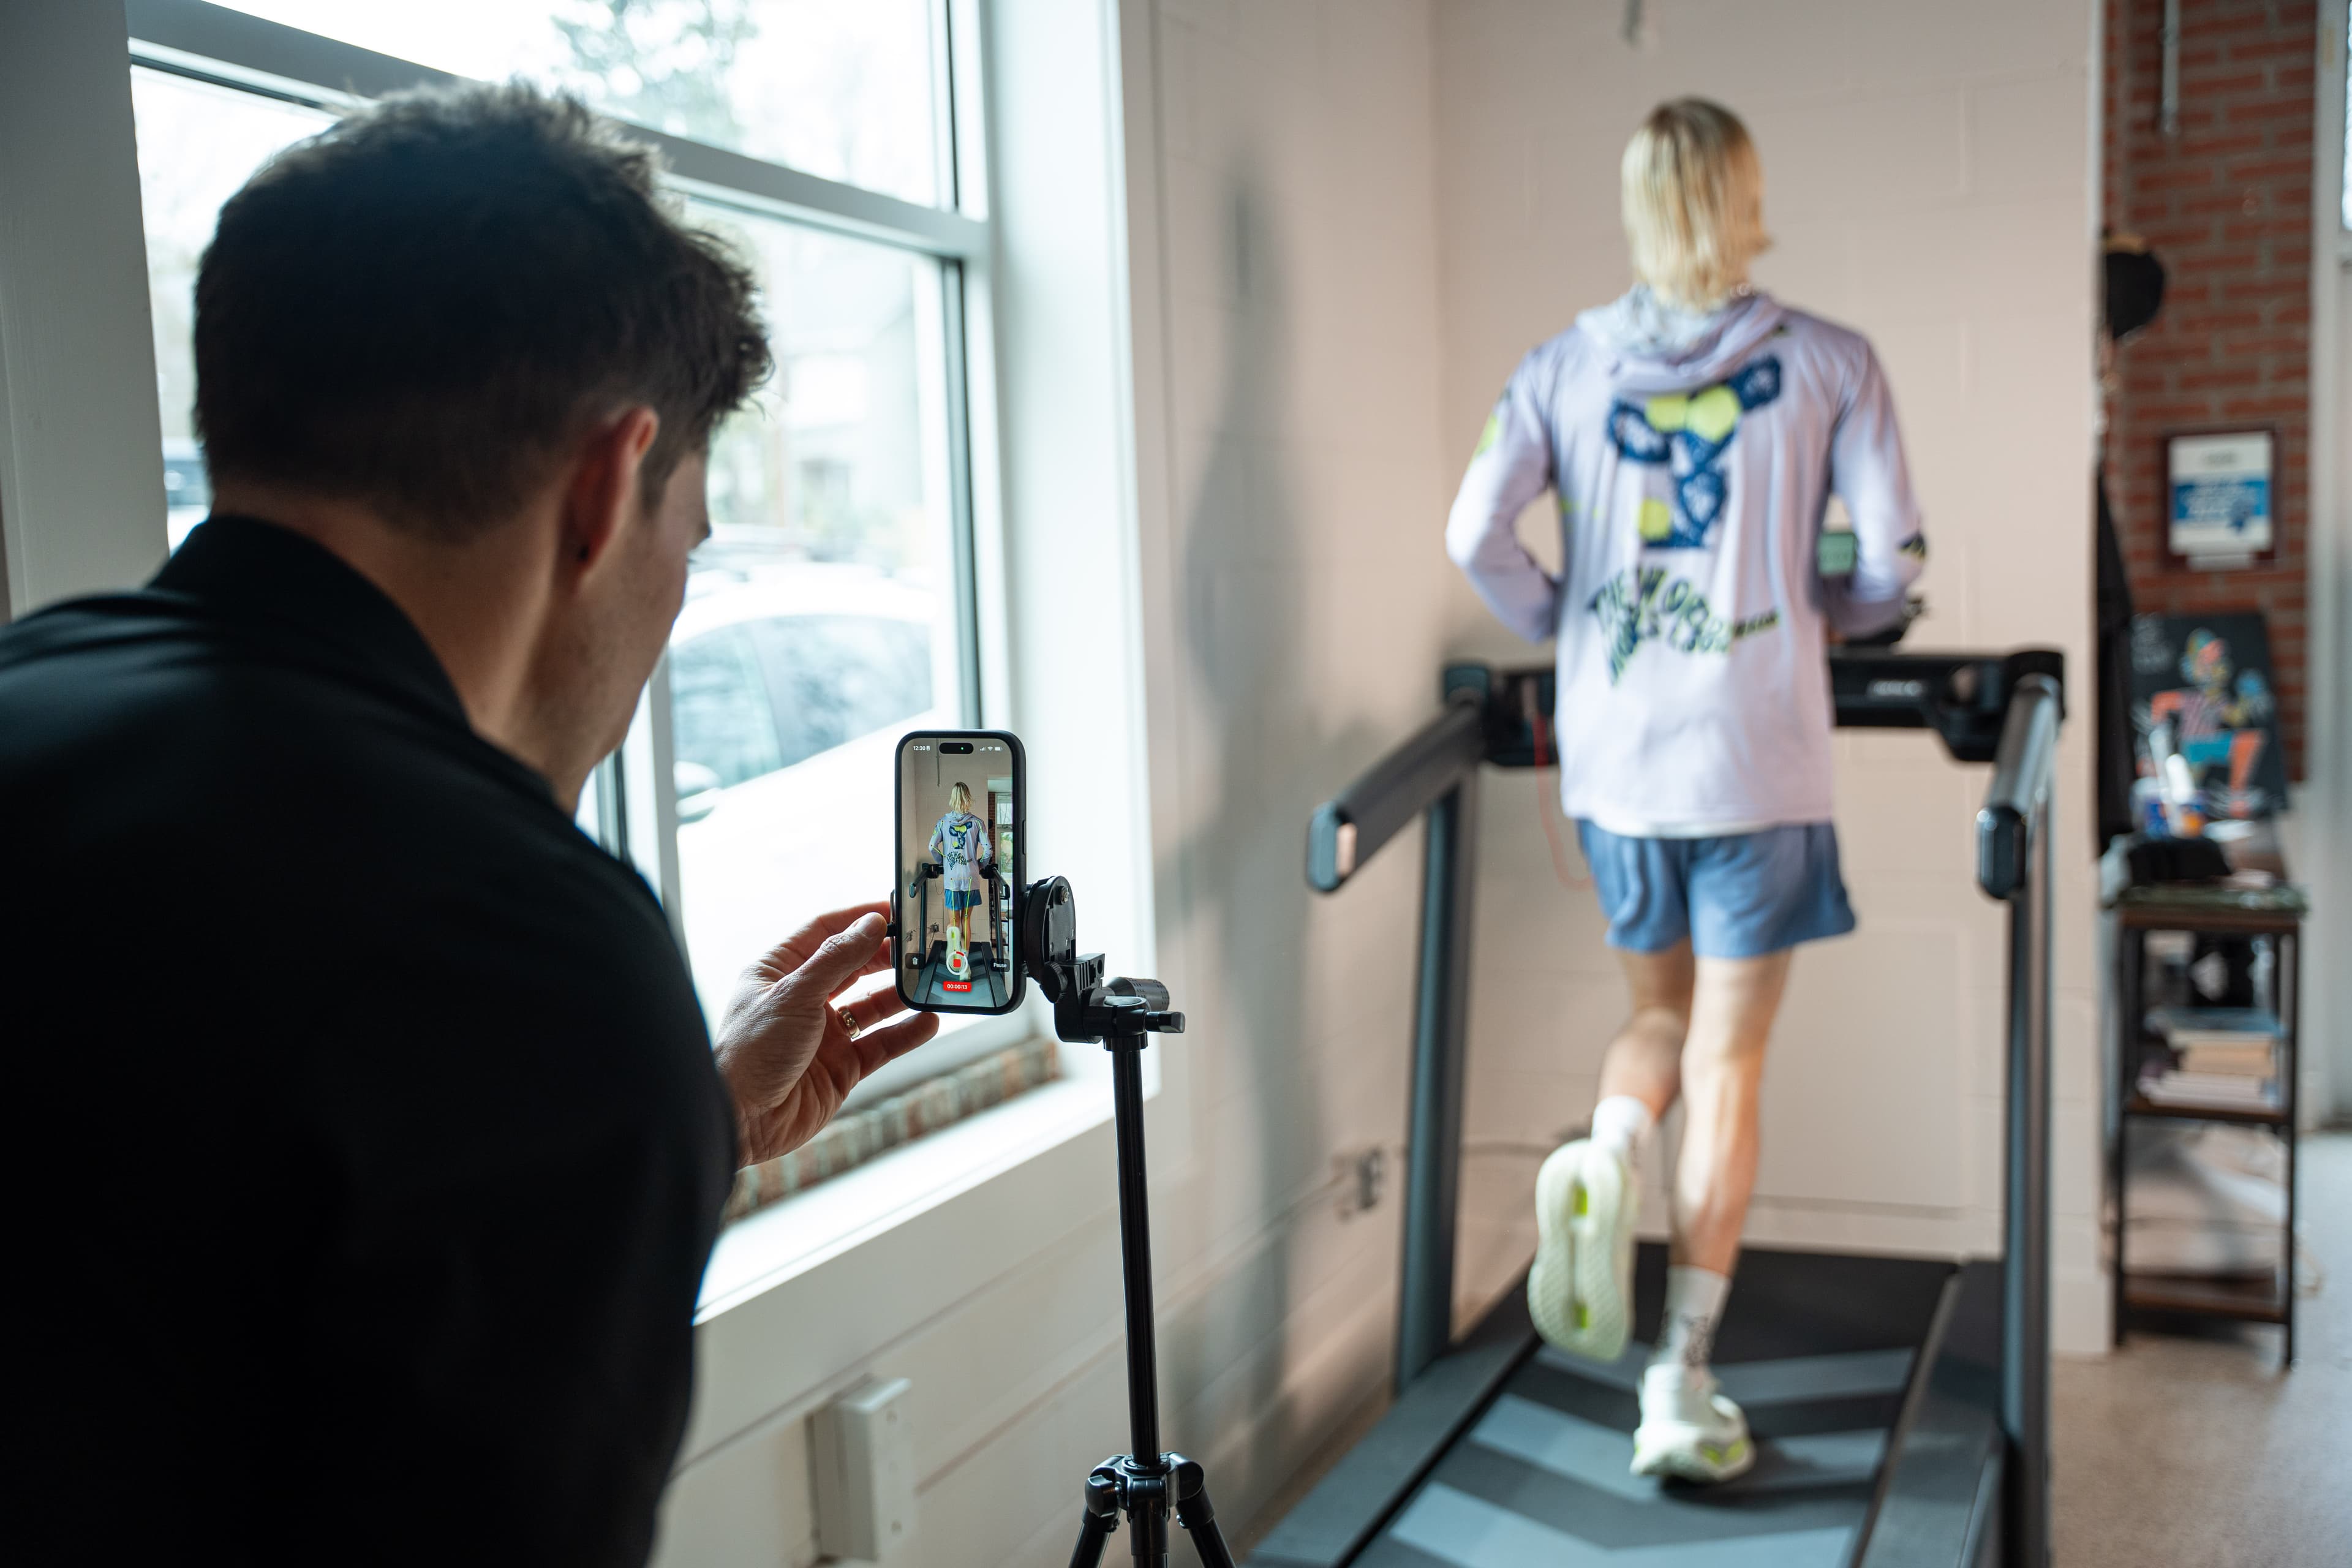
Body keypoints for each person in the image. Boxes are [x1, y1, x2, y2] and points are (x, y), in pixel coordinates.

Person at [2, 85, 938, 1563]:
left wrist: (691, 1120)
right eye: (687, 543)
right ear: (606, 484)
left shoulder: (33, 706)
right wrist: (618, 1088)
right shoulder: (521, 950)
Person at [1445, 98, 1924, 1483]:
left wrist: (1561, 619)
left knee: (1654, 1018)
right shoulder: (1832, 360)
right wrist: (1837, 608)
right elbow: (1890, 560)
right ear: (1744, 197)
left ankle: (1606, 1146)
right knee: (1726, 1063)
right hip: (1754, 757)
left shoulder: (1557, 366)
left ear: (1636, 206)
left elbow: (1472, 532)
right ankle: (1680, 1376)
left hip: (1615, 756)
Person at [928, 780, 993, 973]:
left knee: (954, 922)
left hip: (952, 879)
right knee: (966, 921)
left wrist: (943, 862)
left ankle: (954, 955)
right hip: (971, 878)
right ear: (968, 798)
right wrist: (980, 865)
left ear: (953, 799)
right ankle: (964, 966)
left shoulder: (943, 822)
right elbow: (988, 849)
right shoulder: (978, 823)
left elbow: (932, 846)